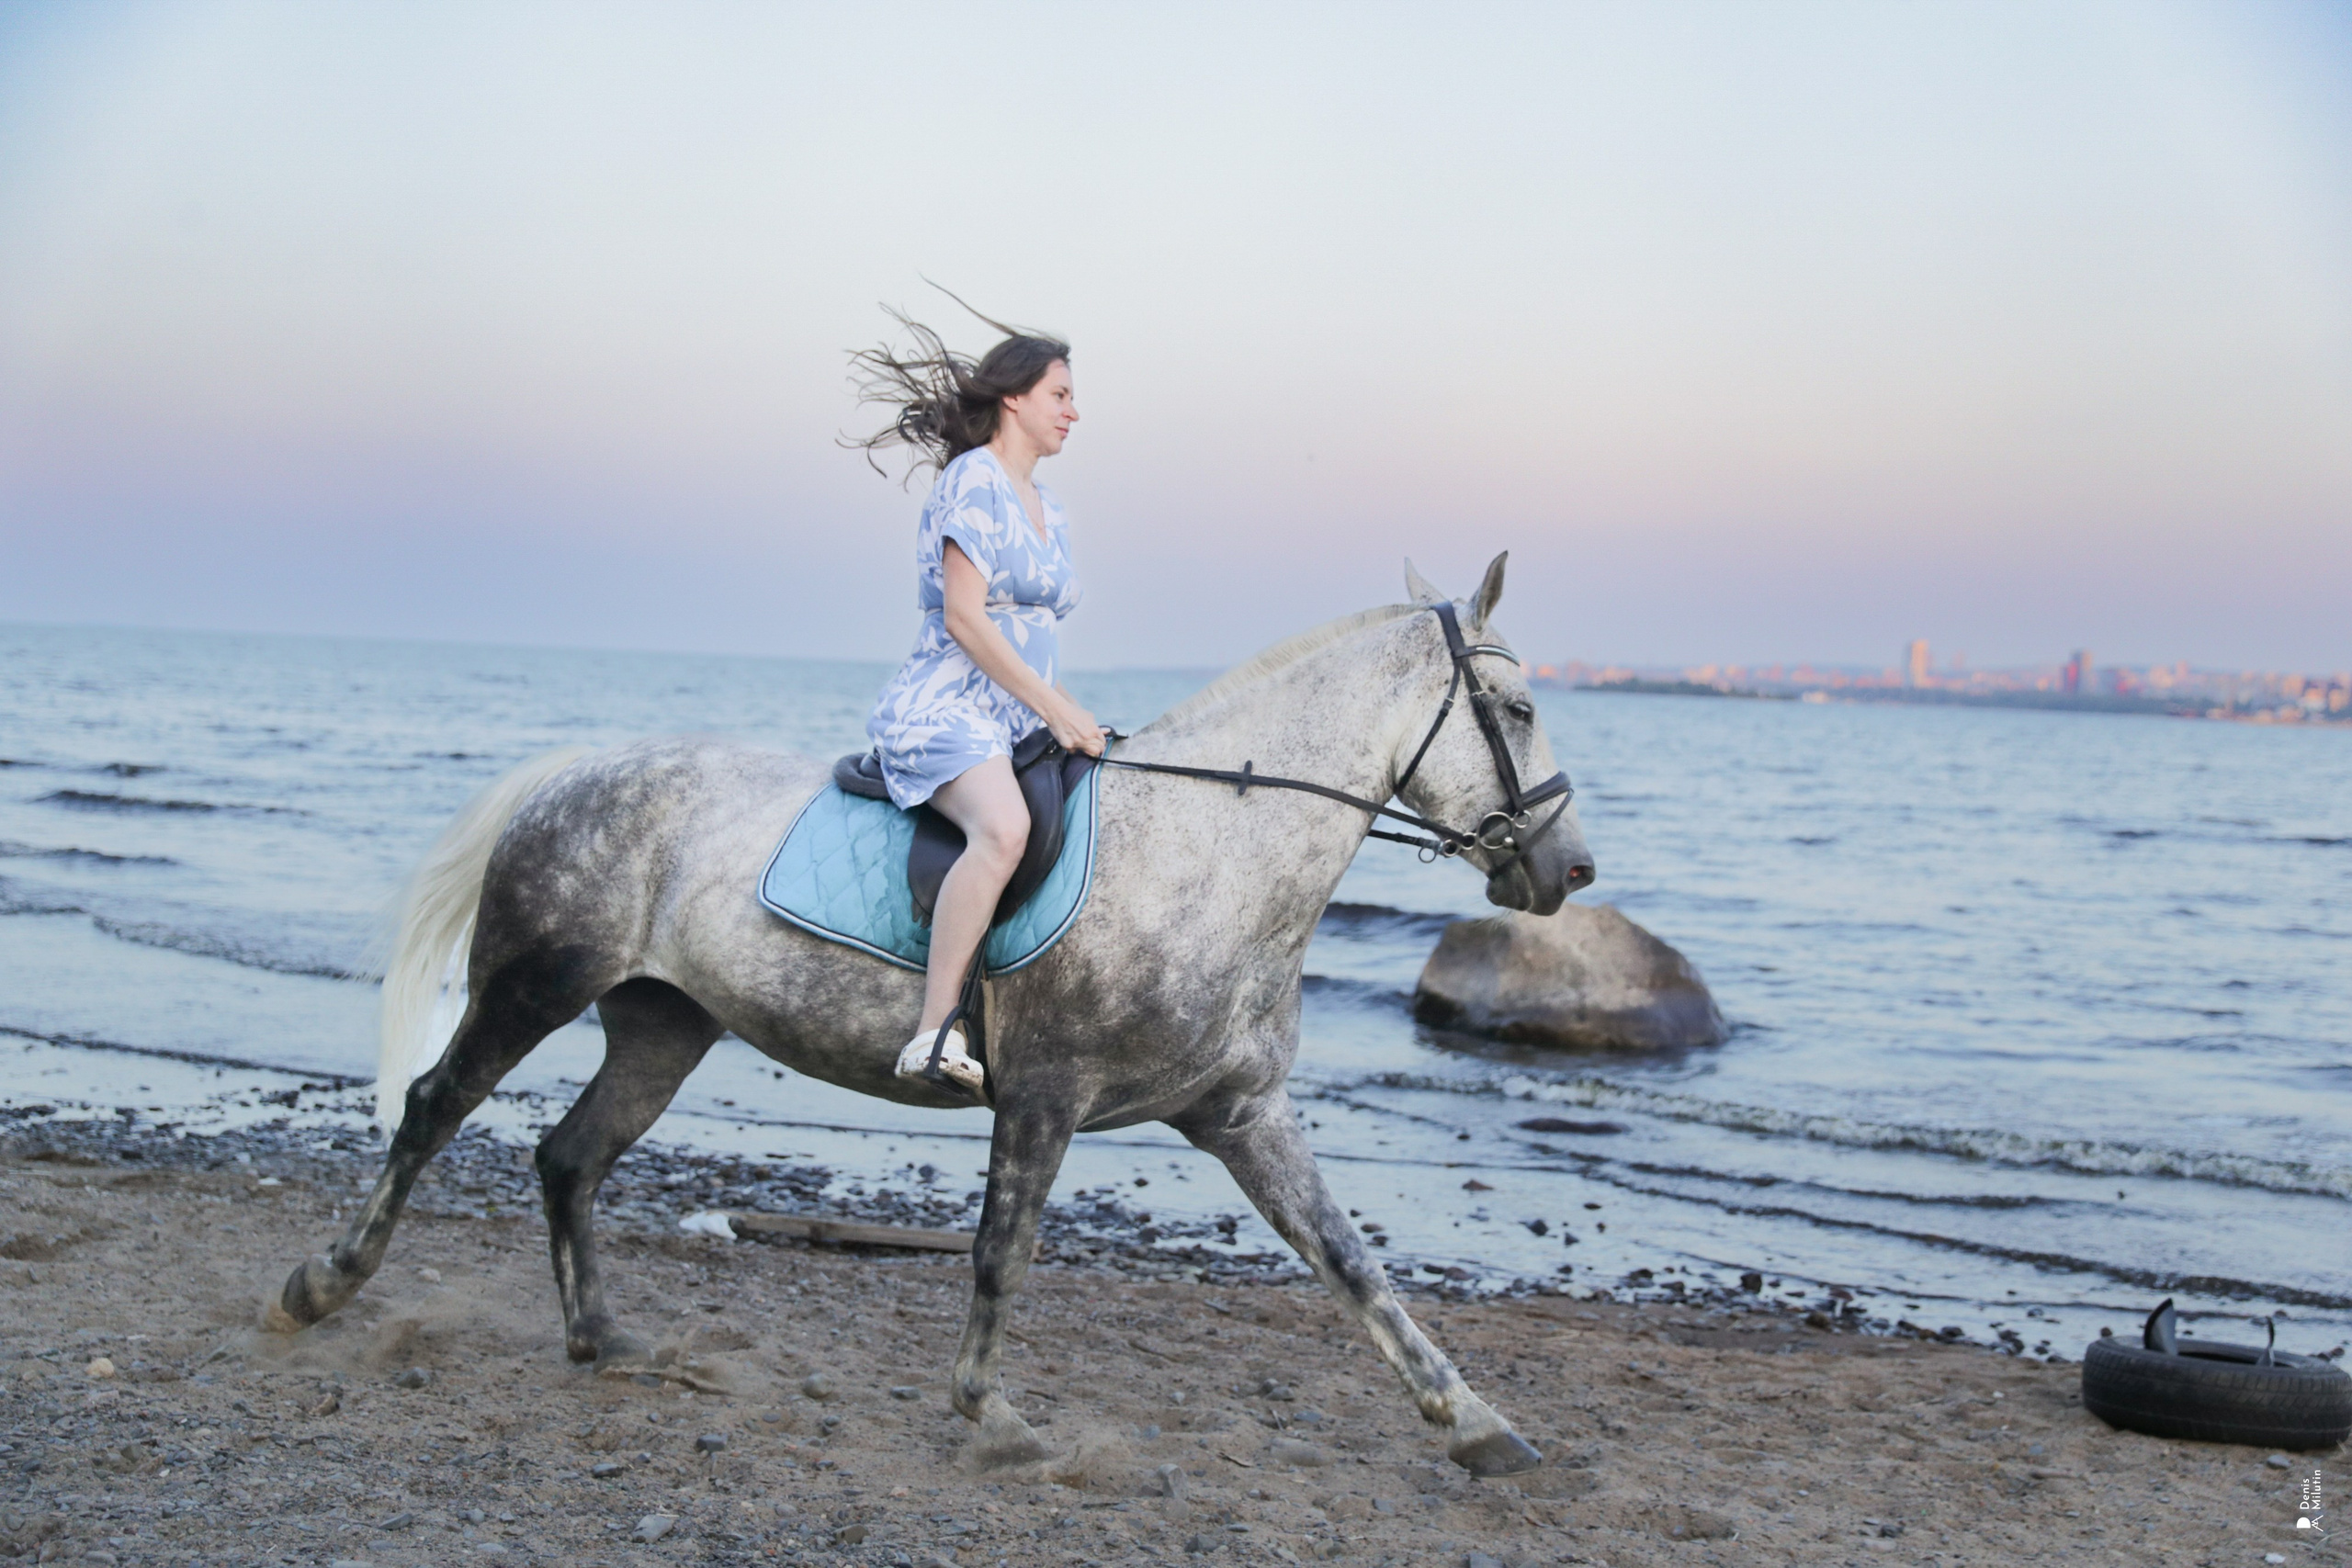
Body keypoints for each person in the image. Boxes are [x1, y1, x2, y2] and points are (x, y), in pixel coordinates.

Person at [849, 308, 1105, 1096]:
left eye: (1072, 396)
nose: (1073, 410)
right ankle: (931, 1033)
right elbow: (967, 619)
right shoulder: (974, 481)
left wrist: (1070, 708)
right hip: (945, 706)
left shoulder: (1048, 505)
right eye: (1060, 393)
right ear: (1015, 400)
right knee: (1002, 827)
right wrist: (1053, 710)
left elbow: (1026, 636)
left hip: (1015, 708)